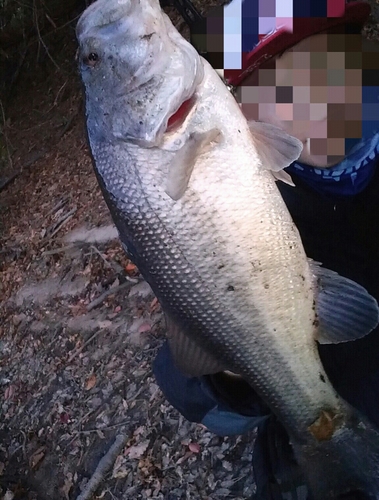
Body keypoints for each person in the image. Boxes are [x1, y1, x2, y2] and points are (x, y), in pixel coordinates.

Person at [153, 1, 379, 498]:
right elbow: (194, 392)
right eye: (286, 88)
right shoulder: (231, 218)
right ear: (240, 116)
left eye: (336, 61)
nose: (324, 95)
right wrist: (236, 361)